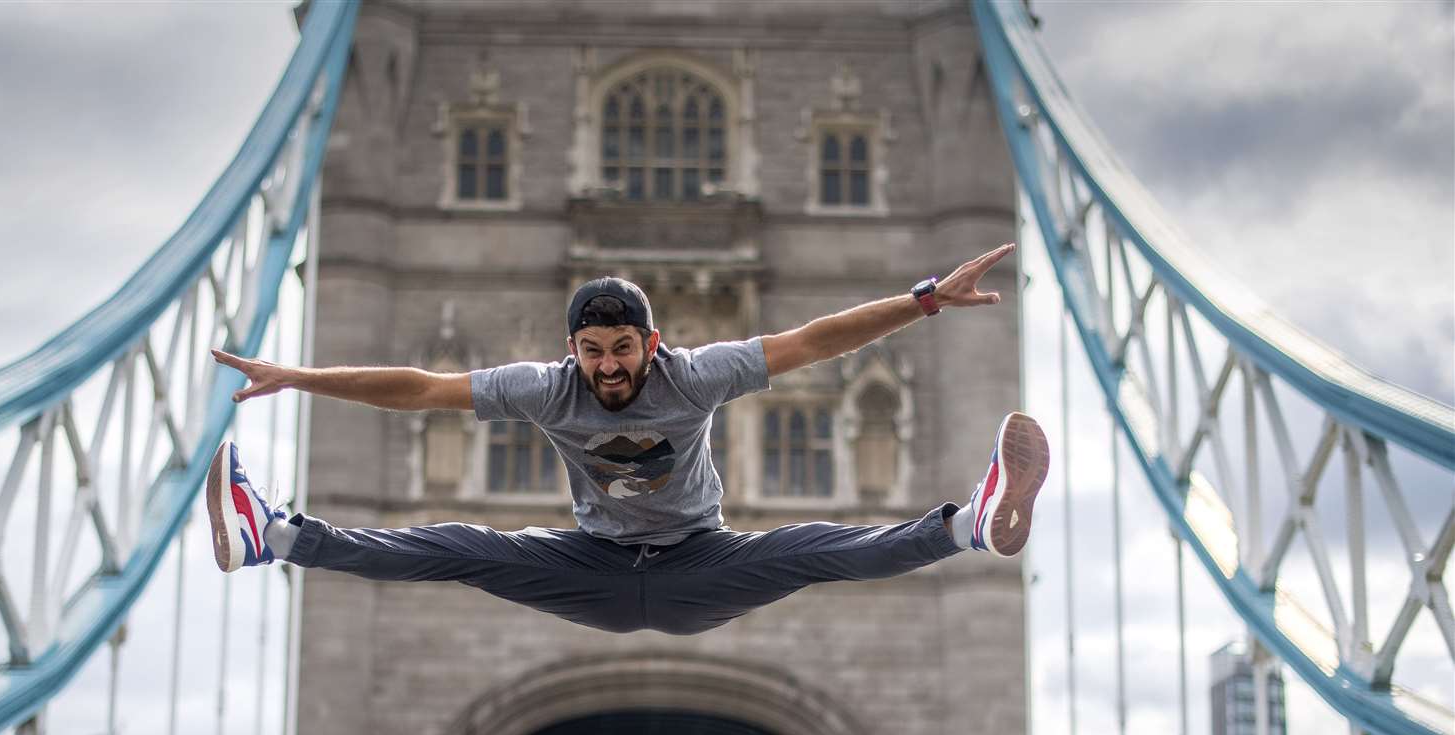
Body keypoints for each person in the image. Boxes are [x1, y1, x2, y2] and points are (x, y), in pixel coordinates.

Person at [206, 244, 1048, 635]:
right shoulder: (545, 387)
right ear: (572, 350)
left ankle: (970, 523)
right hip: (594, 573)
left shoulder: (698, 374)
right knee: (458, 545)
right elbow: (420, 389)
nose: (608, 369)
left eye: (623, 351)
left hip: (697, 567)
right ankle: (272, 535)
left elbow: (816, 340)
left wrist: (926, 299)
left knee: (810, 547)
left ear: (653, 343)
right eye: (593, 353)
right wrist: (299, 376)